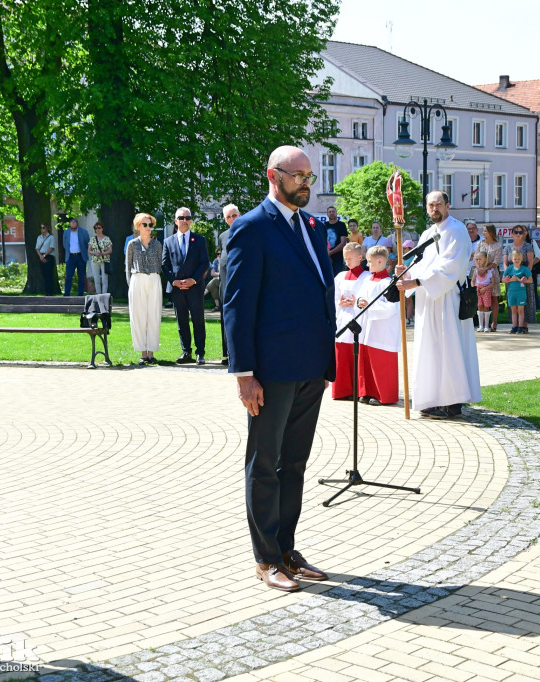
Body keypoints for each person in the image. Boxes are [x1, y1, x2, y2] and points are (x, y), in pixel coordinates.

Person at [223, 145, 335, 592]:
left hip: (310, 365)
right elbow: (237, 304)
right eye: (299, 174)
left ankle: (287, 548)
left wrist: (327, 362)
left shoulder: (312, 224)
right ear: (274, 176)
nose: (307, 181)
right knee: (264, 462)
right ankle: (266, 559)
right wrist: (244, 372)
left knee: (296, 463)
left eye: (310, 174)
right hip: (270, 370)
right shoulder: (251, 228)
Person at [395, 191, 481, 419]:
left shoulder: (457, 230)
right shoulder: (427, 233)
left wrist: (416, 281)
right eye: (431, 205)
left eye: (439, 204)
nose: (434, 208)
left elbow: (450, 266)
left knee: (448, 348)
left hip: (447, 299)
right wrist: (406, 273)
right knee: (429, 349)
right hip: (426, 299)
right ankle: (431, 399)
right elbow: (420, 262)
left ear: (448, 205)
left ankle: (452, 403)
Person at [162, 208, 209, 365]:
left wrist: (193, 280)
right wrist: (174, 281)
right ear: (175, 221)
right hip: (177, 289)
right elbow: (164, 265)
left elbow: (204, 263)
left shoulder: (200, 240)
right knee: (181, 321)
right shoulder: (168, 241)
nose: (184, 220)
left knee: (198, 320)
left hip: (195, 288)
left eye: (187, 217)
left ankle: (200, 353)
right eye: (181, 218)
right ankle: (186, 351)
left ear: (191, 220)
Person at [355, 245, 399, 405]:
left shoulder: (389, 283)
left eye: (369, 261)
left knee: (381, 363)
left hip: (382, 330)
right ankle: (366, 391)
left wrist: (370, 306)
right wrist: (360, 302)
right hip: (367, 328)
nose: (367, 265)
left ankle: (383, 395)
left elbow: (392, 308)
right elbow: (362, 297)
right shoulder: (368, 279)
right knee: (367, 360)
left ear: (380, 261)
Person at [331, 242, 368, 401]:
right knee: (342, 354)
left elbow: (369, 297)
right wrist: (339, 302)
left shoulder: (367, 277)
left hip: (360, 318)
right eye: (345, 259)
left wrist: (357, 302)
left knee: (357, 354)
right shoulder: (340, 276)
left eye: (350, 258)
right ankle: (342, 390)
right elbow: (333, 296)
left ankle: (359, 390)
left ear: (360, 257)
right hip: (343, 317)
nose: (347, 262)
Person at [126, 213, 163, 366]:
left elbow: (160, 263)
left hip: (154, 278)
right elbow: (128, 266)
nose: (148, 228)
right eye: (145, 225)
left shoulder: (157, 244)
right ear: (138, 227)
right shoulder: (132, 244)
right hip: (137, 278)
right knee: (138, 316)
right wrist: (131, 285)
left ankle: (152, 352)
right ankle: (142, 352)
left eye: (150, 225)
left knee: (153, 315)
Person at [218, 204, 241, 365]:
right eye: (228, 217)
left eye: (234, 215)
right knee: (226, 318)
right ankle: (227, 353)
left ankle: (239, 353)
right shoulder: (222, 236)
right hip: (225, 283)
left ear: (240, 215)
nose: (232, 219)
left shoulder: (249, 231)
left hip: (242, 284)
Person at [502, 225, 535, 332]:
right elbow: (505, 263)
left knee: (526, 302)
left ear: (523, 234)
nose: (518, 234)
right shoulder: (507, 247)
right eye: (516, 232)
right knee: (513, 304)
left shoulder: (528, 246)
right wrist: (508, 275)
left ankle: (524, 326)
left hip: (524, 276)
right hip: (512, 278)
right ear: (512, 233)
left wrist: (526, 275)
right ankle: (515, 326)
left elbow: (530, 262)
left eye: (520, 232)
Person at [477, 224, 502, 331]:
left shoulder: (498, 245)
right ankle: (482, 323)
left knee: (493, 298)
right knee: (481, 298)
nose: (483, 233)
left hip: (492, 273)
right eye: (483, 231)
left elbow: (497, 261)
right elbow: (476, 258)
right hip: (480, 274)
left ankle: (494, 322)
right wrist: (479, 268)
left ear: (491, 232)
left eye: (485, 231)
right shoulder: (480, 244)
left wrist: (486, 268)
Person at [503, 249, 531, 334]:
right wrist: (511, 279)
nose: (516, 260)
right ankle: (514, 326)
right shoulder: (509, 268)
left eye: (518, 258)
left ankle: (520, 327)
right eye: (515, 259)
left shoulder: (524, 269)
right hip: (511, 292)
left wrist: (520, 280)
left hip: (521, 292)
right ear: (512, 259)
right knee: (513, 310)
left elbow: (530, 280)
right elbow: (503, 280)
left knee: (520, 310)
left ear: (521, 259)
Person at [63, 218, 90, 296]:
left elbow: (87, 243)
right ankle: (66, 294)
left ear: (77, 225)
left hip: (80, 256)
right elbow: (65, 244)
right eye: (72, 227)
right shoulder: (66, 232)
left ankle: (80, 294)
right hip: (70, 256)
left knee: (81, 276)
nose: (73, 229)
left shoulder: (84, 232)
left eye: (74, 227)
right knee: (68, 276)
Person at [87, 222, 113, 295]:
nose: (97, 229)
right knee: (96, 278)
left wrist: (103, 253)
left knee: (105, 279)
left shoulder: (107, 238)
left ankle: (104, 294)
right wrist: (95, 253)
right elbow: (89, 250)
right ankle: (98, 294)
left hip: (104, 260)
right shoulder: (92, 239)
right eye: (96, 228)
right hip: (95, 260)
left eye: (99, 228)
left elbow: (110, 250)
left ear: (102, 229)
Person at [473, 252, 494, 332]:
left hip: (486, 290)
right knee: (479, 306)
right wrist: (475, 288)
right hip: (478, 290)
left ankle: (486, 326)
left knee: (486, 307)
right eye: (477, 259)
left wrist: (485, 289)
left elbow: (493, 283)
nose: (478, 261)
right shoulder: (475, 270)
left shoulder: (490, 271)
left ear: (485, 259)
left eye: (480, 259)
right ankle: (480, 325)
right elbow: (472, 281)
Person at [324, 206, 346, 274]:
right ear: (327, 214)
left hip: (338, 258)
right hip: (326, 257)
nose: (331, 213)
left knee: (337, 278)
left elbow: (343, 243)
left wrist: (330, 253)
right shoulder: (324, 225)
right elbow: (321, 241)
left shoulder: (342, 225)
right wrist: (327, 253)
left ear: (336, 213)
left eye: (333, 211)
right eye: (329, 212)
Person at [35, 224, 56, 296]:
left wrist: (44, 256)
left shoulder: (51, 237)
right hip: (41, 256)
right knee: (43, 274)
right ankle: (45, 291)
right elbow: (37, 248)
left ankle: (50, 292)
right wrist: (40, 256)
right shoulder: (39, 237)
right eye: (41, 228)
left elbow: (52, 248)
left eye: (43, 228)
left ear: (47, 228)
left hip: (49, 256)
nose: (42, 229)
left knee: (49, 275)